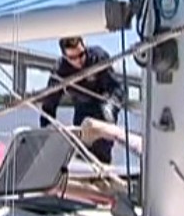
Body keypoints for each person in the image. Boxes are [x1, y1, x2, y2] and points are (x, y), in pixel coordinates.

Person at [39, 36, 125, 164]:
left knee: (102, 150)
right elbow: (48, 105)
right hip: (82, 107)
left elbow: (116, 88)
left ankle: (103, 169)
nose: (79, 60)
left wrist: (112, 106)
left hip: (104, 106)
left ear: (84, 47)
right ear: (65, 57)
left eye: (81, 55)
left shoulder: (98, 57)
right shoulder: (60, 71)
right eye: (72, 58)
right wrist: (46, 132)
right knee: (81, 150)